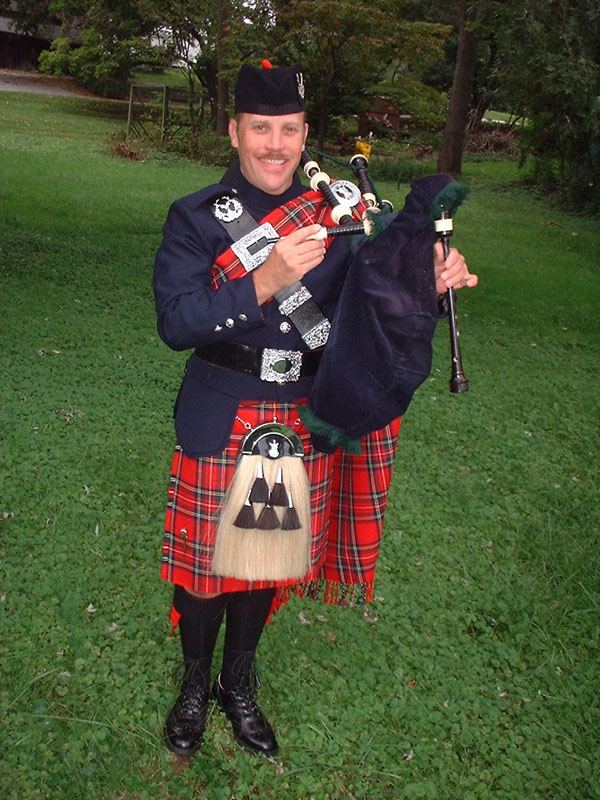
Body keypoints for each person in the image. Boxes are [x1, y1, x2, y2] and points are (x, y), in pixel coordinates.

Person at [153, 61, 478, 759]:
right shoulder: (196, 217)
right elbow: (177, 323)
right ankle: (194, 685)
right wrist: (265, 279)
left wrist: (429, 278)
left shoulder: (342, 218)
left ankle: (238, 686)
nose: (275, 145)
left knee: (264, 564)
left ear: (305, 136)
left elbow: (380, 301)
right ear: (234, 131)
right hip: (222, 409)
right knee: (204, 572)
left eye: (289, 130)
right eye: (260, 128)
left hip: (303, 411)